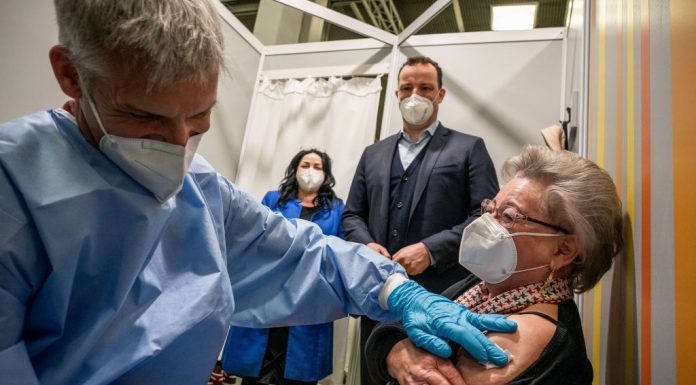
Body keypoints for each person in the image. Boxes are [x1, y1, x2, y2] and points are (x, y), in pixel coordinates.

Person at [0, 2, 518, 385]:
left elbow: (295, 252)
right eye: (145, 118)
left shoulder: (200, 188)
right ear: (71, 74)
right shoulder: (15, 190)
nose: (178, 144)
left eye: (199, 118)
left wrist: (392, 290)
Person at [365, 145, 624, 385]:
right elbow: (388, 329)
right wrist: (397, 354)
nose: (485, 223)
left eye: (508, 216)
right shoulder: (485, 286)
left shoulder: (527, 335)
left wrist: (399, 350)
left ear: (563, 250)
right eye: (491, 208)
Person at [341, 56, 499, 385]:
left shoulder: (468, 148)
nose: (416, 94)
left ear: (440, 94)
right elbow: (352, 214)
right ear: (397, 95)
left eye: (425, 87)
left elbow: (485, 217)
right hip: (379, 293)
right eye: (407, 87)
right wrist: (367, 245)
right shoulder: (374, 153)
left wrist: (430, 249)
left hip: (441, 296)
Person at [221, 149, 344, 385]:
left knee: (298, 370)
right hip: (268, 291)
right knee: (256, 369)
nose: (311, 171)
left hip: (308, 298)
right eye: (305, 164)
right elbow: (256, 239)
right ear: (295, 169)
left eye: (318, 167)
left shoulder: (337, 209)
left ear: (326, 174)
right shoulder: (272, 199)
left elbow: (338, 251)